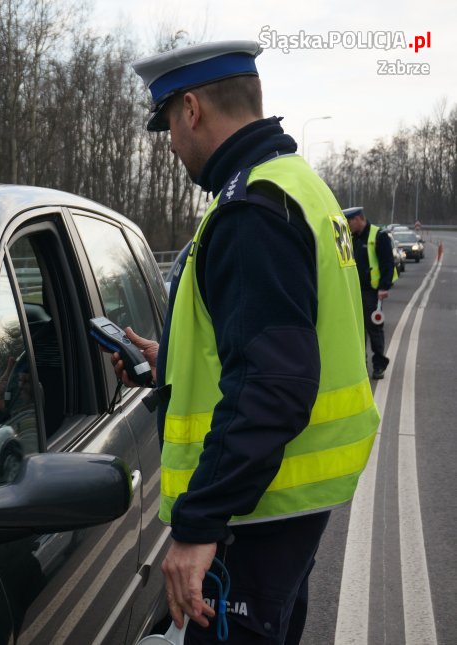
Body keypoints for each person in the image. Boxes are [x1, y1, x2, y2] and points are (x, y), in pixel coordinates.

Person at [115, 41, 380, 644]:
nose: (173, 145)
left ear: (191, 109)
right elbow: (271, 345)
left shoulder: (250, 211)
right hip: (284, 508)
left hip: (250, 515)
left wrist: (200, 524)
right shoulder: (298, 187)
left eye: (167, 128)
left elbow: (273, 384)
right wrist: (168, 367)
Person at [343, 206, 397, 379]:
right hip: (354, 291)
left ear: (359, 219)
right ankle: (361, 366)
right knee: (357, 330)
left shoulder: (378, 236)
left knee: (374, 329)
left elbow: (388, 263)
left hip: (372, 292)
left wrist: (384, 287)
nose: (348, 225)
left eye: (349, 222)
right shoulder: (350, 237)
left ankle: (379, 365)